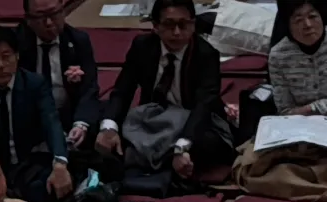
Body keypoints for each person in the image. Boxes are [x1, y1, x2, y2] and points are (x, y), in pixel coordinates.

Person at [233, 0, 327, 201]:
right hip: (302, 126)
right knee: (255, 161)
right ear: (287, 24)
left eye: (313, 16)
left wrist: (310, 109)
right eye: (298, 19)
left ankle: (305, 185)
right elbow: (285, 110)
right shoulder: (278, 55)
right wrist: (317, 117)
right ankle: (307, 184)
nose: (307, 25)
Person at [97, 0, 233, 185]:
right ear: (155, 26)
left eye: (183, 25)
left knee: (210, 143)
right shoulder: (142, 46)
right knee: (99, 122)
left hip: (191, 123)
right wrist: (109, 128)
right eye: (169, 25)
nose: (177, 32)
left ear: (193, 25)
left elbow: (203, 106)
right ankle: (157, 160)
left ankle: (140, 157)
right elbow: (123, 90)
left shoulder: (206, 54)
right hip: (152, 120)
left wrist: (182, 146)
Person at [0, 26, 74, 202]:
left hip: (28, 164)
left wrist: (60, 162)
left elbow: (52, 124)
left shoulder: (35, 85)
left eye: (6, 56)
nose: (1, 65)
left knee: (47, 189)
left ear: (17, 56)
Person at [17, 0, 102, 153]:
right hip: (30, 120)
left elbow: (89, 88)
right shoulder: (15, 44)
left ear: (63, 11)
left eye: (54, 14)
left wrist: (80, 124)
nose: (49, 23)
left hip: (68, 116)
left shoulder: (78, 41)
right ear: (28, 19)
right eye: (40, 17)